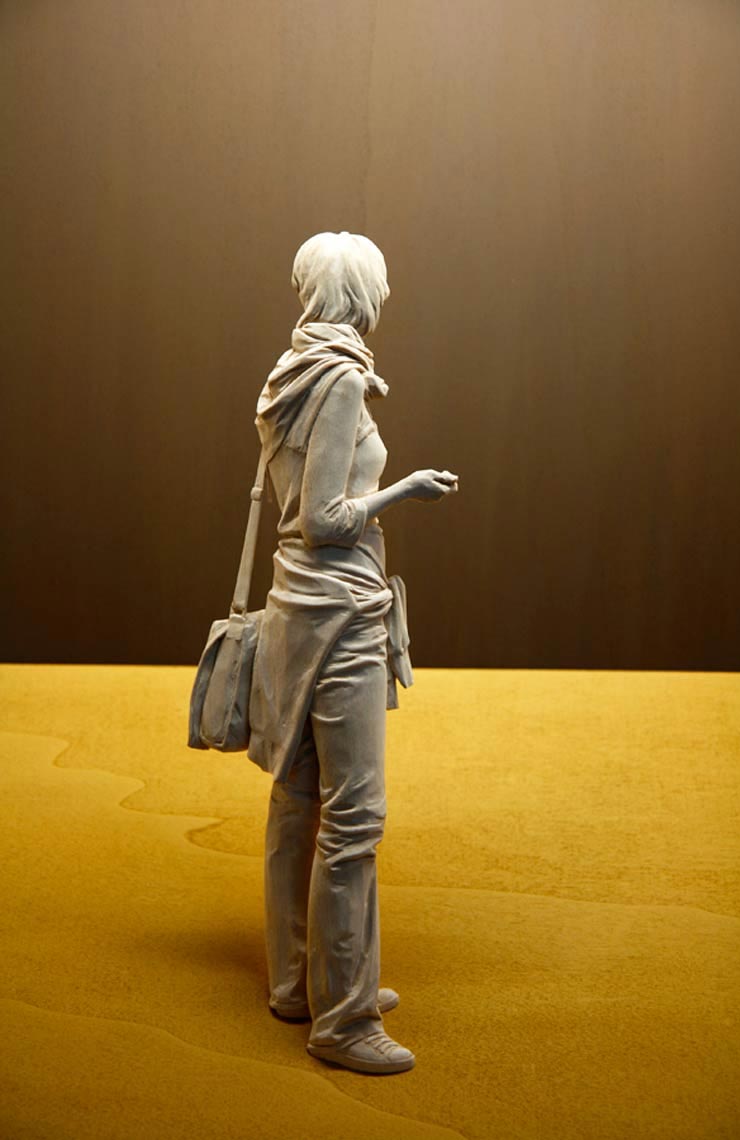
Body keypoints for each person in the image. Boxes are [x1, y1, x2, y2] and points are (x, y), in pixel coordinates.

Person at [248, 231, 458, 1075]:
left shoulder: (289, 370)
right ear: (363, 293)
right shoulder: (335, 379)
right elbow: (325, 519)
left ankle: (298, 981)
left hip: (296, 610)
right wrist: (406, 489)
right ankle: (342, 1019)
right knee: (354, 817)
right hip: (340, 617)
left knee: (298, 797)